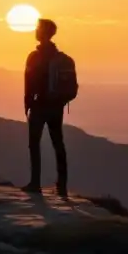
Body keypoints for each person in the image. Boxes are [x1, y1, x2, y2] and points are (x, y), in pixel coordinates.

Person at [23, 18, 78, 198]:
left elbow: (29, 83)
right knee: (58, 143)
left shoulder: (34, 57)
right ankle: (61, 186)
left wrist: (28, 103)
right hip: (56, 107)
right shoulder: (61, 58)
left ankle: (35, 183)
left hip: (39, 106)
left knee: (34, 144)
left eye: (38, 28)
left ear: (44, 33)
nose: (35, 31)